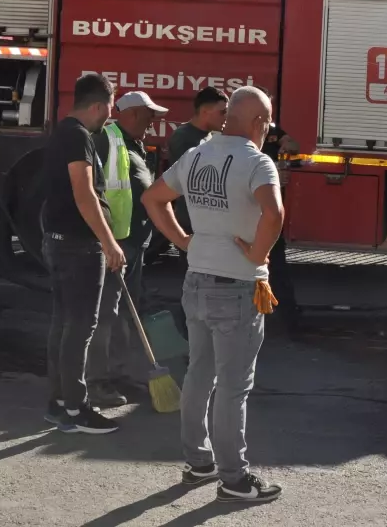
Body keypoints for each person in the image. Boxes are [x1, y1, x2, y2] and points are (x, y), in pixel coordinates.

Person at [143, 86, 284, 503]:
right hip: (237, 287)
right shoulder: (257, 163)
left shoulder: (196, 155)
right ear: (257, 123)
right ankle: (235, 480)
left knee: (200, 374)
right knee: (233, 386)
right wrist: (258, 253)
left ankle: (198, 463)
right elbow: (274, 214)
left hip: (197, 280)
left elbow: (153, 198)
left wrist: (184, 240)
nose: (268, 130)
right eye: (268, 122)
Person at [41, 73, 126, 435]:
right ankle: (76, 408)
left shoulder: (63, 132)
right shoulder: (78, 136)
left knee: (63, 322)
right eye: (110, 106)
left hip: (60, 241)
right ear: (97, 105)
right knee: (80, 326)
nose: (111, 114)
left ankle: (59, 402)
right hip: (78, 245)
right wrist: (108, 241)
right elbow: (85, 192)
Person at [86, 90, 167, 407]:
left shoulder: (134, 144)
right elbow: (90, 192)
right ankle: (97, 382)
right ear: (131, 114)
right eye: (149, 117)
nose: (152, 124)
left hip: (134, 243)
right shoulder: (107, 139)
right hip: (114, 243)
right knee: (106, 314)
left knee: (122, 315)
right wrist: (106, 241)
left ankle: (116, 374)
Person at [146, 87, 230, 263]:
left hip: (203, 221)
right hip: (192, 222)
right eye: (222, 112)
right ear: (205, 111)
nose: (226, 117)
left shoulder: (206, 136)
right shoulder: (185, 138)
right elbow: (192, 181)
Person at [262, 123, 301, 329]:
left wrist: (287, 145)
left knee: (276, 263)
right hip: (256, 209)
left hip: (269, 209)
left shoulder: (273, 131)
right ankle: (287, 317)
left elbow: (293, 144)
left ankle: (288, 315)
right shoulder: (240, 135)